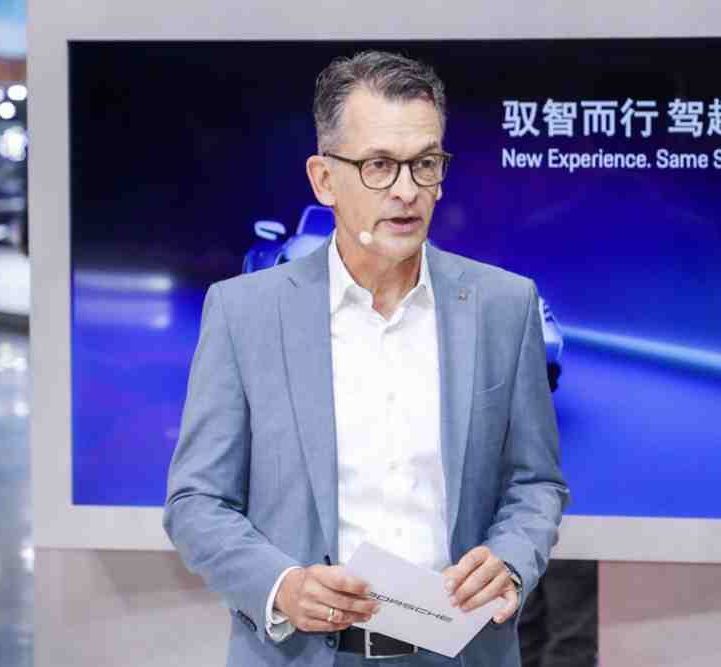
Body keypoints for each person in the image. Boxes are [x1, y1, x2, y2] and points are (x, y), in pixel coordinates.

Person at [163, 50, 569, 667]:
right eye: (379, 165)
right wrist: (281, 586)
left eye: (425, 164)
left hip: (461, 651)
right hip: (304, 653)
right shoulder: (244, 312)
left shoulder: (504, 306)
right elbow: (196, 501)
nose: (407, 191)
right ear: (324, 179)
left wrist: (510, 559)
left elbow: (535, 483)